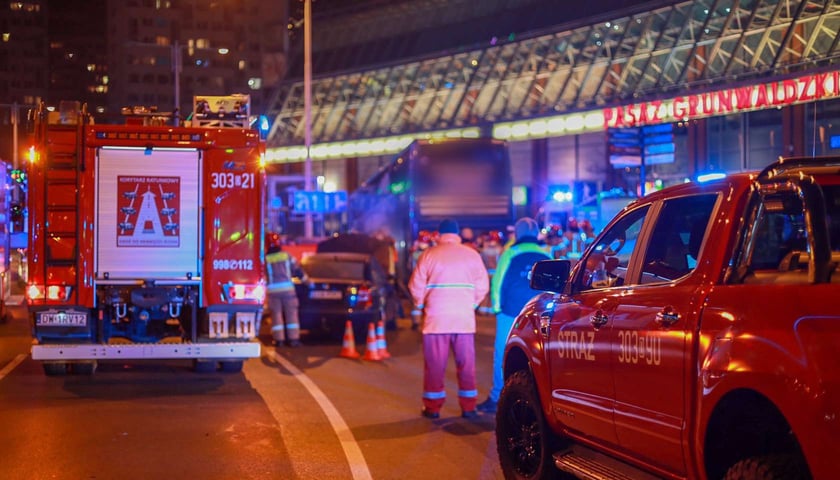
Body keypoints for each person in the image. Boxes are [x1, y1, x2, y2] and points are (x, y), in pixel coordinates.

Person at [409, 219, 490, 419]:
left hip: (436, 320)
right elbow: (482, 286)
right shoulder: (472, 255)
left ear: (439, 234)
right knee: (466, 365)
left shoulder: (429, 255)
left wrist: (421, 305)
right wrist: (470, 304)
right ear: (457, 234)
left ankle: (433, 408)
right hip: (463, 320)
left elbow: (415, 285)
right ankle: (469, 407)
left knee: (435, 366)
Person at [477, 217, 550, 414]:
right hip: (538, 313)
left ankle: (497, 398)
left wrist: (498, 309)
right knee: (539, 357)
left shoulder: (510, 253)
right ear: (535, 234)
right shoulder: (545, 254)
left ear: (517, 234)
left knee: (502, 354)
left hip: (510, 313)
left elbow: (498, 283)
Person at [265, 233, 303, 347]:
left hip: (273, 293)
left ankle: (279, 341)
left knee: (276, 316)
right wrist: (308, 281)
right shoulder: (287, 256)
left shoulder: (265, 259)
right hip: (288, 291)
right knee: (292, 315)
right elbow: (298, 271)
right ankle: (294, 340)